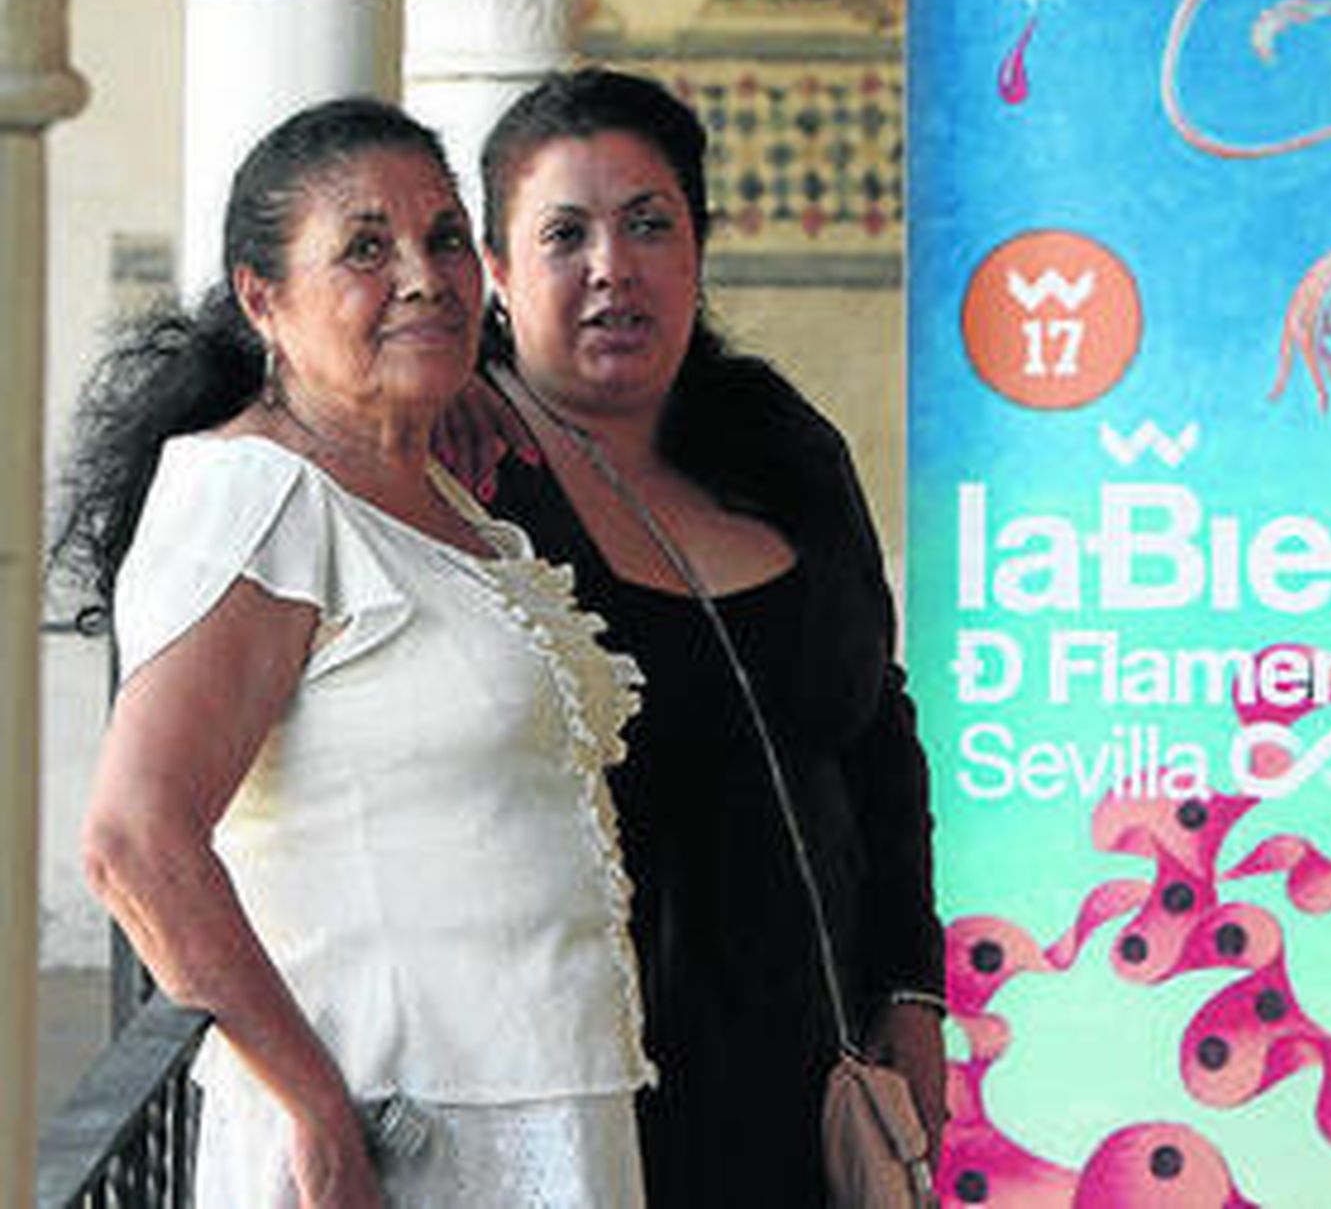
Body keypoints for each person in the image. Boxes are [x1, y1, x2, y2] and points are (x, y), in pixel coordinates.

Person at [55, 97, 654, 1209]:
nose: (425, 278)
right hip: (396, 1131)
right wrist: (316, 1111)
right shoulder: (258, 493)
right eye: (367, 249)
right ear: (262, 298)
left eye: (444, 238)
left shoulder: (435, 496)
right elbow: (134, 839)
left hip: (536, 1108)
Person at [449, 67, 946, 1206]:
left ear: (698, 251)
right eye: (563, 234)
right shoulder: (461, 480)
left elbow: (875, 726)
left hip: (809, 1067)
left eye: (649, 225)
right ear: (495, 272)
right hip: (581, 1091)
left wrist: (911, 986)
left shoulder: (781, 445)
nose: (611, 267)